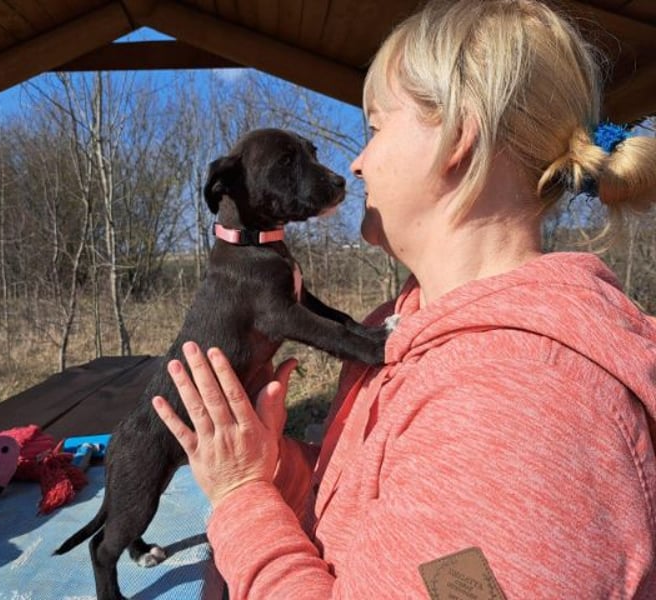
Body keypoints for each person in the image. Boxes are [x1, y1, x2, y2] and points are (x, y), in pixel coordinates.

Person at [152, 0, 656, 597]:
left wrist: (239, 498)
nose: (357, 164)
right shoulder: (402, 324)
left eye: (374, 127)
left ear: (457, 138)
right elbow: (386, 519)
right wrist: (274, 470)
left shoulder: (515, 414)